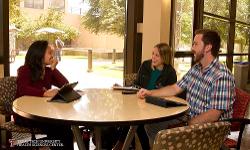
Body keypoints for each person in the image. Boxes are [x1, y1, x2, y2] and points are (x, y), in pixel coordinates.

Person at [137, 29, 235, 147]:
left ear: (208, 47)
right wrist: (150, 93)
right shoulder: (196, 69)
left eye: (195, 44)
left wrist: (187, 124)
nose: (192, 48)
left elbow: (213, 114)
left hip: (209, 129)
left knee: (164, 135)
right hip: (189, 117)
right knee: (152, 125)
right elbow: (175, 88)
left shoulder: (221, 76)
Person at [113, 43, 177, 150]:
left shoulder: (170, 72)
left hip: (156, 107)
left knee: (138, 121)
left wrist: (149, 93)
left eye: (157, 55)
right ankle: (124, 145)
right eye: (152, 54)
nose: (153, 57)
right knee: (132, 116)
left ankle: (120, 145)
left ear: (164, 57)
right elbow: (136, 84)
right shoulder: (145, 65)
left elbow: (169, 94)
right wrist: (126, 88)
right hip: (140, 102)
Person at [14, 40, 73, 150]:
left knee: (65, 128)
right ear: (39, 54)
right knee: (59, 129)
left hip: (43, 112)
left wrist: (53, 68)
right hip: (26, 114)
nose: (52, 56)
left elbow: (65, 84)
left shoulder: (48, 71)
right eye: (50, 53)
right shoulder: (25, 70)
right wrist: (44, 93)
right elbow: (23, 89)